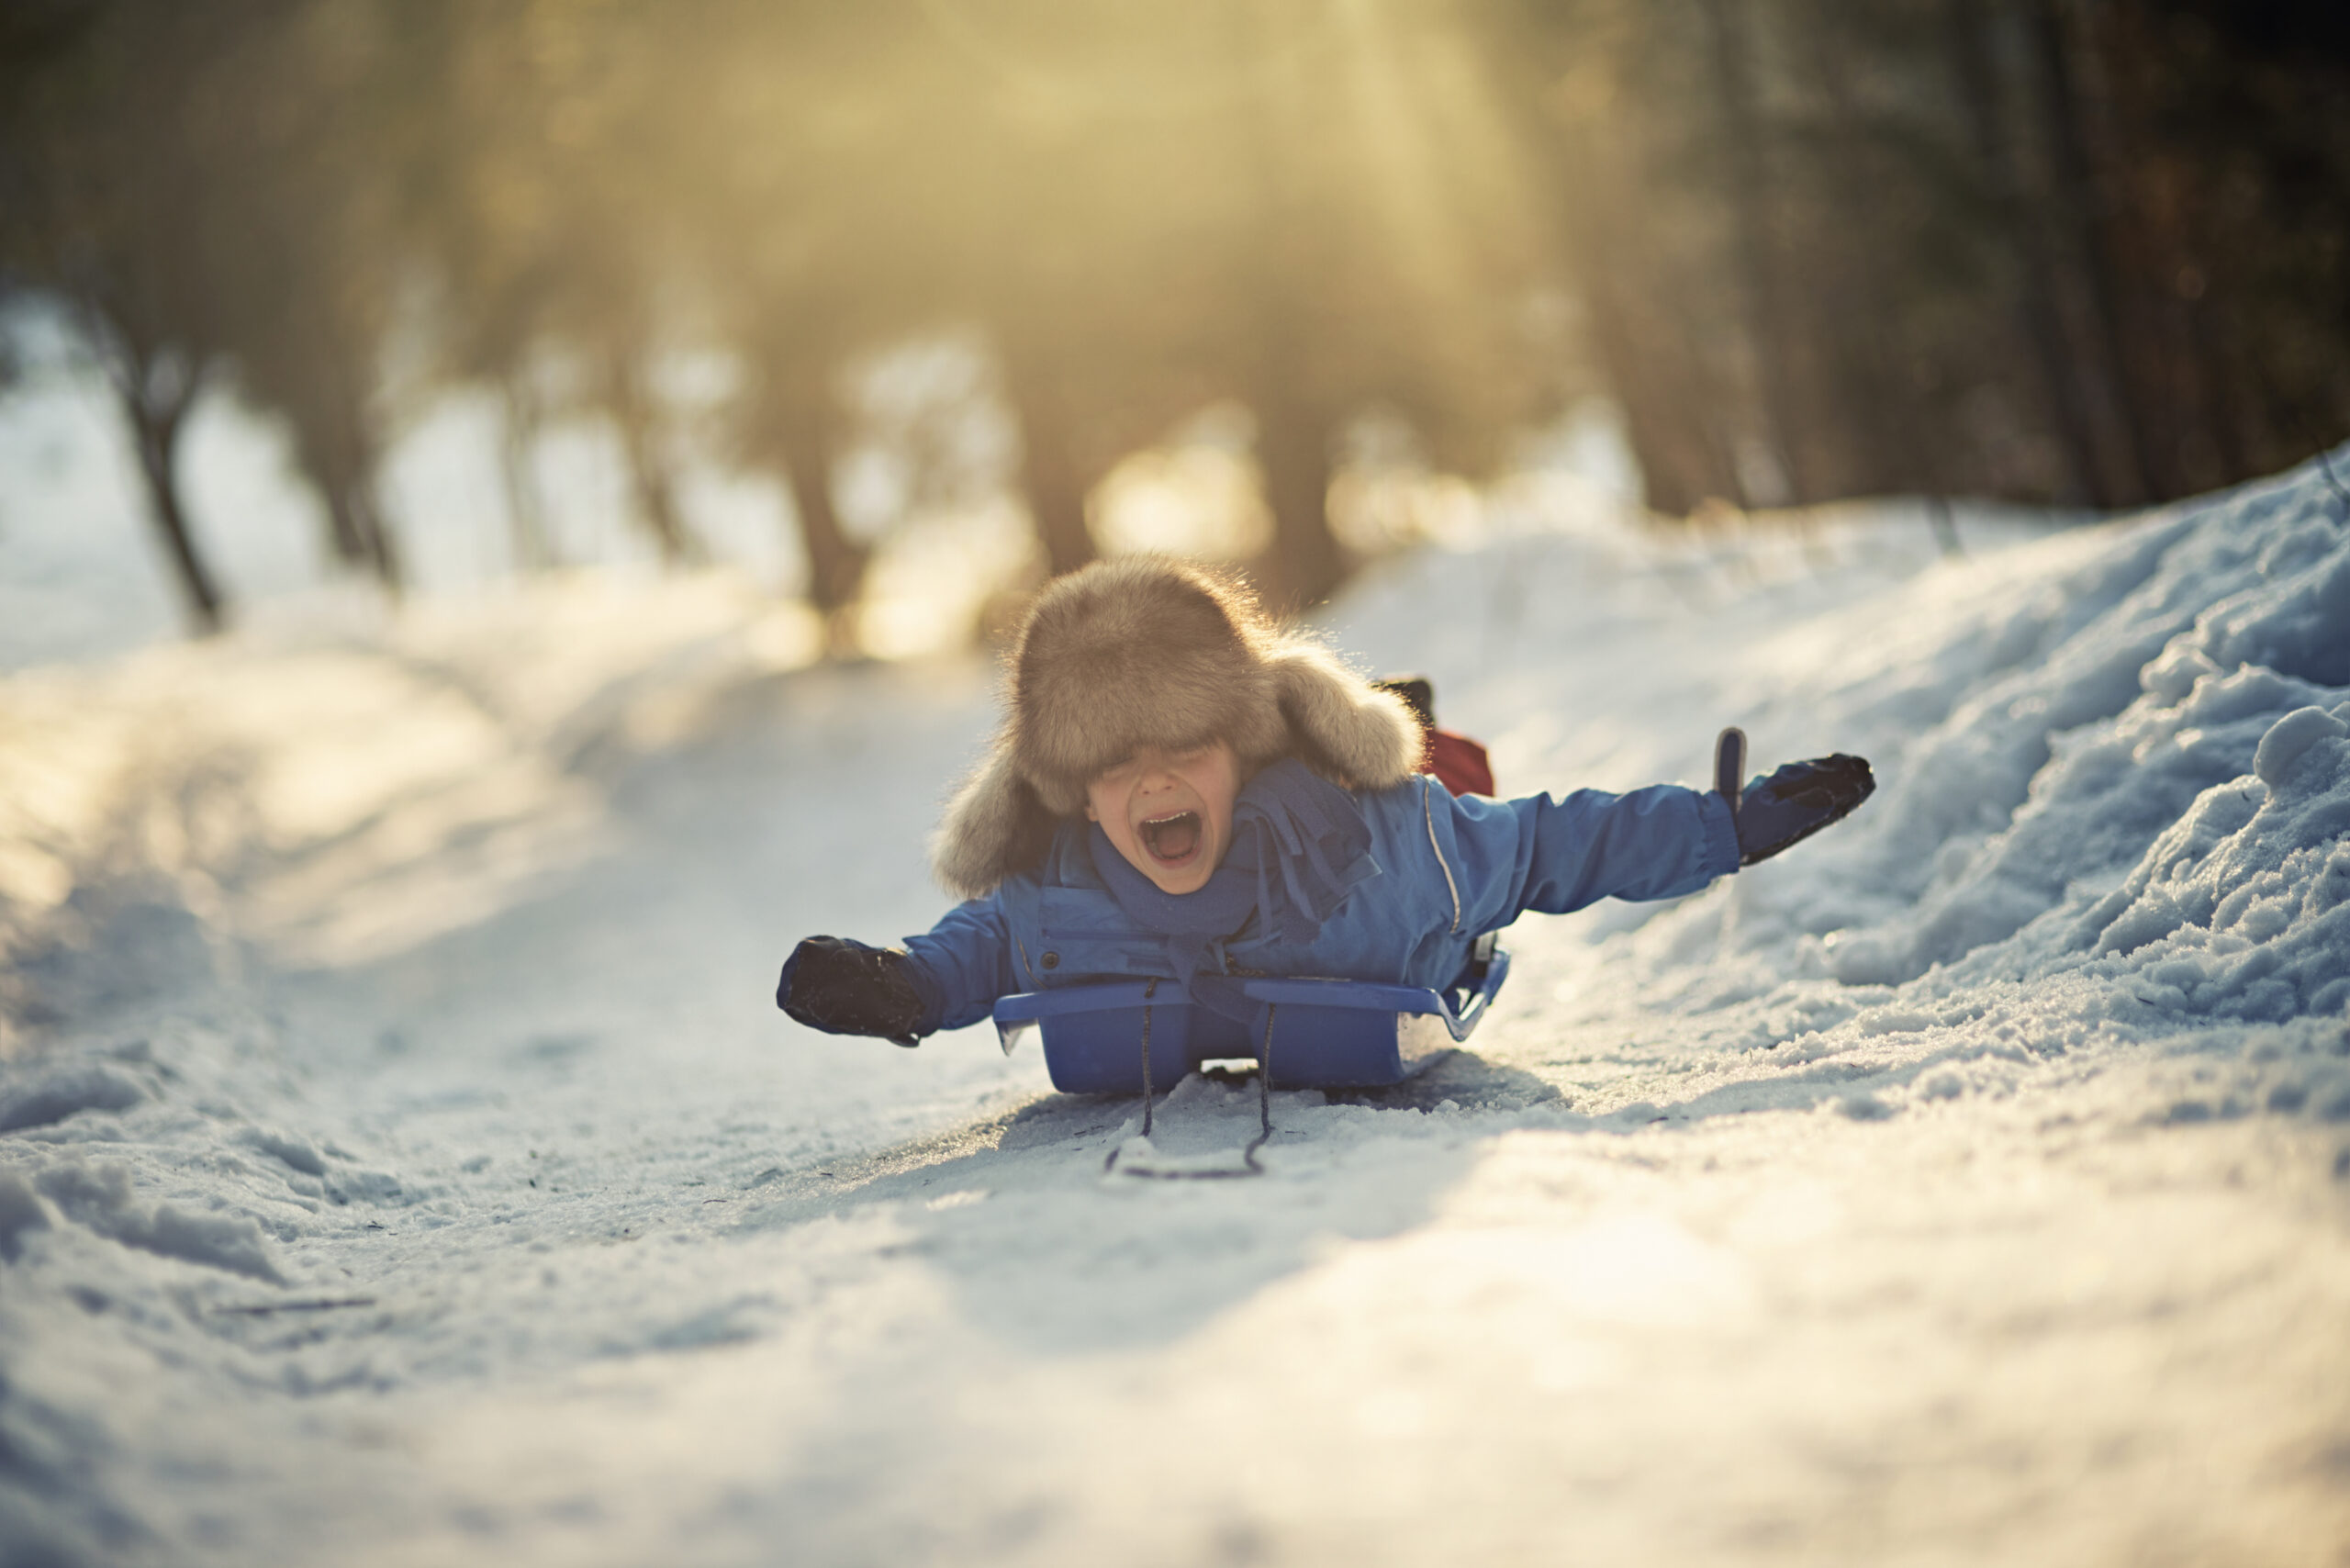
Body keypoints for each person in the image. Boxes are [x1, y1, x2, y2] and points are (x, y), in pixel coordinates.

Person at [777, 557, 1872, 1049]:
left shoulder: (1389, 851)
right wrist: (905, 985)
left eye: (1185, 747)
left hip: (1400, 903)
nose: (1154, 784)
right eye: (1116, 767)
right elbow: (986, 944)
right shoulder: (1060, 883)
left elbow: (1550, 844)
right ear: (1070, 793)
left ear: (1243, 750)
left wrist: (1724, 826)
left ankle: (1414, 723)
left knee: (1444, 783)